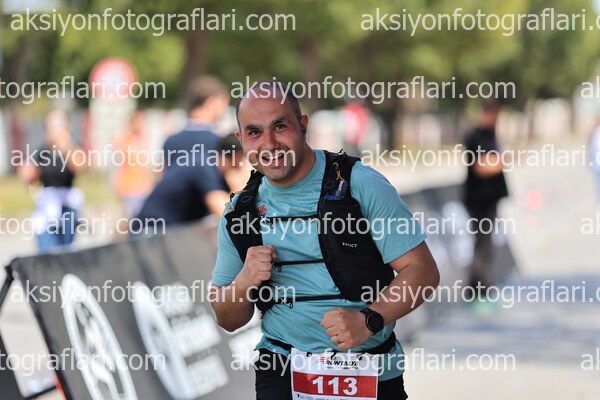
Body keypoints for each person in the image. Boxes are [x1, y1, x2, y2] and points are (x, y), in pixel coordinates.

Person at [210, 82, 439, 399]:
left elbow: (423, 272)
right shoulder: (240, 213)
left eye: (280, 126)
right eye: (254, 132)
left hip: (370, 369)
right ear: (241, 139)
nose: (269, 143)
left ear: (303, 126)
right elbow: (227, 319)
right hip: (282, 369)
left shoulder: (360, 184)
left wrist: (369, 320)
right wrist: (245, 280)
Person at [133, 133, 243, 233]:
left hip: (165, 232)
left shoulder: (213, 168)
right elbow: (226, 213)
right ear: (238, 156)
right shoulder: (204, 167)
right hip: (150, 231)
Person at [18, 110, 85, 251]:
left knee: (66, 249)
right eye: (52, 126)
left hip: (68, 206)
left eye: (59, 124)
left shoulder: (73, 149)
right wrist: (28, 173)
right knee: (46, 248)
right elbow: (30, 176)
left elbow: (79, 166)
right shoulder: (42, 152)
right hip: (48, 206)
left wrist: (66, 145)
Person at [463, 100, 509, 295]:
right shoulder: (476, 136)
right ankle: (478, 289)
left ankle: (482, 286)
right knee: (482, 245)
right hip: (479, 200)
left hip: (490, 199)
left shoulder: (490, 135)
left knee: (487, 244)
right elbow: (481, 167)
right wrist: (503, 161)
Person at [112, 111, 154, 219]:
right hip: (128, 185)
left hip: (143, 185)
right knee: (132, 217)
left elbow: (145, 164)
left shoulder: (143, 138)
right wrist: (118, 184)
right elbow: (119, 163)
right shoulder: (124, 138)